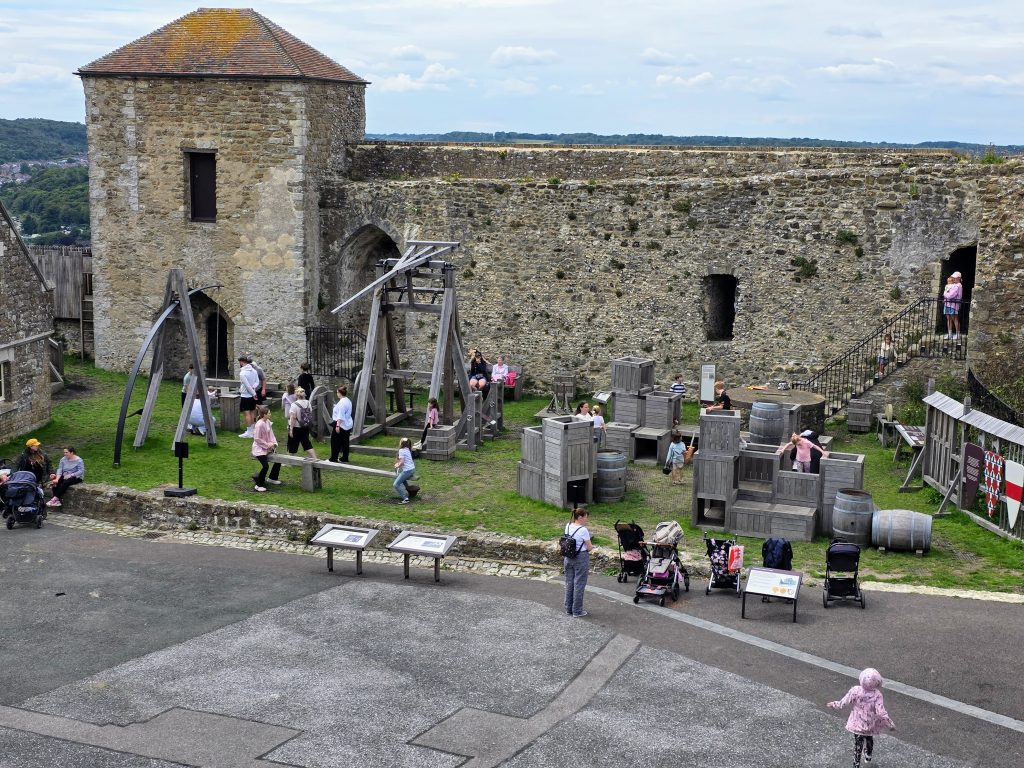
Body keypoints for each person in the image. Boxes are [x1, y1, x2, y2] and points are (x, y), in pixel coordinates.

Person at [827, 667, 896, 767]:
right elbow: (881, 712)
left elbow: (844, 702)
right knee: (869, 738)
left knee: (857, 745)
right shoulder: (877, 695)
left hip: (857, 723)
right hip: (870, 724)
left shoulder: (855, 690)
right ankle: (868, 755)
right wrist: (890, 724)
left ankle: (856, 764)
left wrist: (834, 704)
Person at [562, 506, 593, 617]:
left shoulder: (568, 526)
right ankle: (577, 611)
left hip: (568, 557)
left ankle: (568, 608)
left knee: (569, 582)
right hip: (581, 558)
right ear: (580, 517)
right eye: (585, 517)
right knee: (579, 584)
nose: (586, 520)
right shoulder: (583, 530)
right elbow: (589, 547)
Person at [250, 406, 278, 492]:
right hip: (259, 449)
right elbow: (257, 439)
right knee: (265, 466)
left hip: (267, 448)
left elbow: (271, 434)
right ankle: (259, 485)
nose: (270, 414)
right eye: (269, 413)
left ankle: (272, 478)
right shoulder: (259, 424)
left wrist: (274, 443)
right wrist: (268, 445)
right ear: (264, 415)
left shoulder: (268, 422)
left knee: (278, 460)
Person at [286, 387, 318, 461]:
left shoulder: (294, 405)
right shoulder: (308, 402)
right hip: (305, 426)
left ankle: (290, 461)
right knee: (306, 443)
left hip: (296, 427)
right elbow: (310, 412)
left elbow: (293, 418)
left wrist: (291, 429)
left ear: (296, 395)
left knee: (292, 444)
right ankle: (315, 458)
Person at [237, 355, 260, 438]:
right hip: (252, 394)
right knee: (253, 412)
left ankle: (249, 432)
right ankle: (253, 430)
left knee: (247, 414)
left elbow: (247, 385)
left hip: (246, 395)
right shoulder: (254, 371)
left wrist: (253, 393)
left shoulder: (242, 373)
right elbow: (257, 382)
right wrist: (253, 388)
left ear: (241, 362)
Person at [330, 385, 353, 462]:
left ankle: (334, 458)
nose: (337, 394)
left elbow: (340, 415)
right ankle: (345, 457)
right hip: (348, 424)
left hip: (341, 424)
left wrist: (337, 426)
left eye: (337, 392)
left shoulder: (342, 403)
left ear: (340, 393)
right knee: (345, 442)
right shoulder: (348, 400)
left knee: (335, 441)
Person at [393, 437, 416, 504]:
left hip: (408, 470)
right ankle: (409, 491)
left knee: (396, 484)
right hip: (412, 469)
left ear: (401, 443)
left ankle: (405, 499)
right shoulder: (407, 449)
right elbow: (404, 460)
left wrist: (397, 465)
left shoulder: (401, 450)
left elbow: (402, 462)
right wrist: (398, 463)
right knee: (402, 478)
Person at [942, 272, 962, 340]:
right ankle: (950, 334)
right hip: (948, 304)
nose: (954, 278)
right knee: (949, 319)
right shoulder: (953, 285)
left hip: (953, 305)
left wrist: (945, 293)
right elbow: (947, 293)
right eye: (953, 277)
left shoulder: (958, 285)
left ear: (959, 278)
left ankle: (958, 334)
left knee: (954, 319)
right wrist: (946, 293)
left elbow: (951, 295)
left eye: (955, 277)